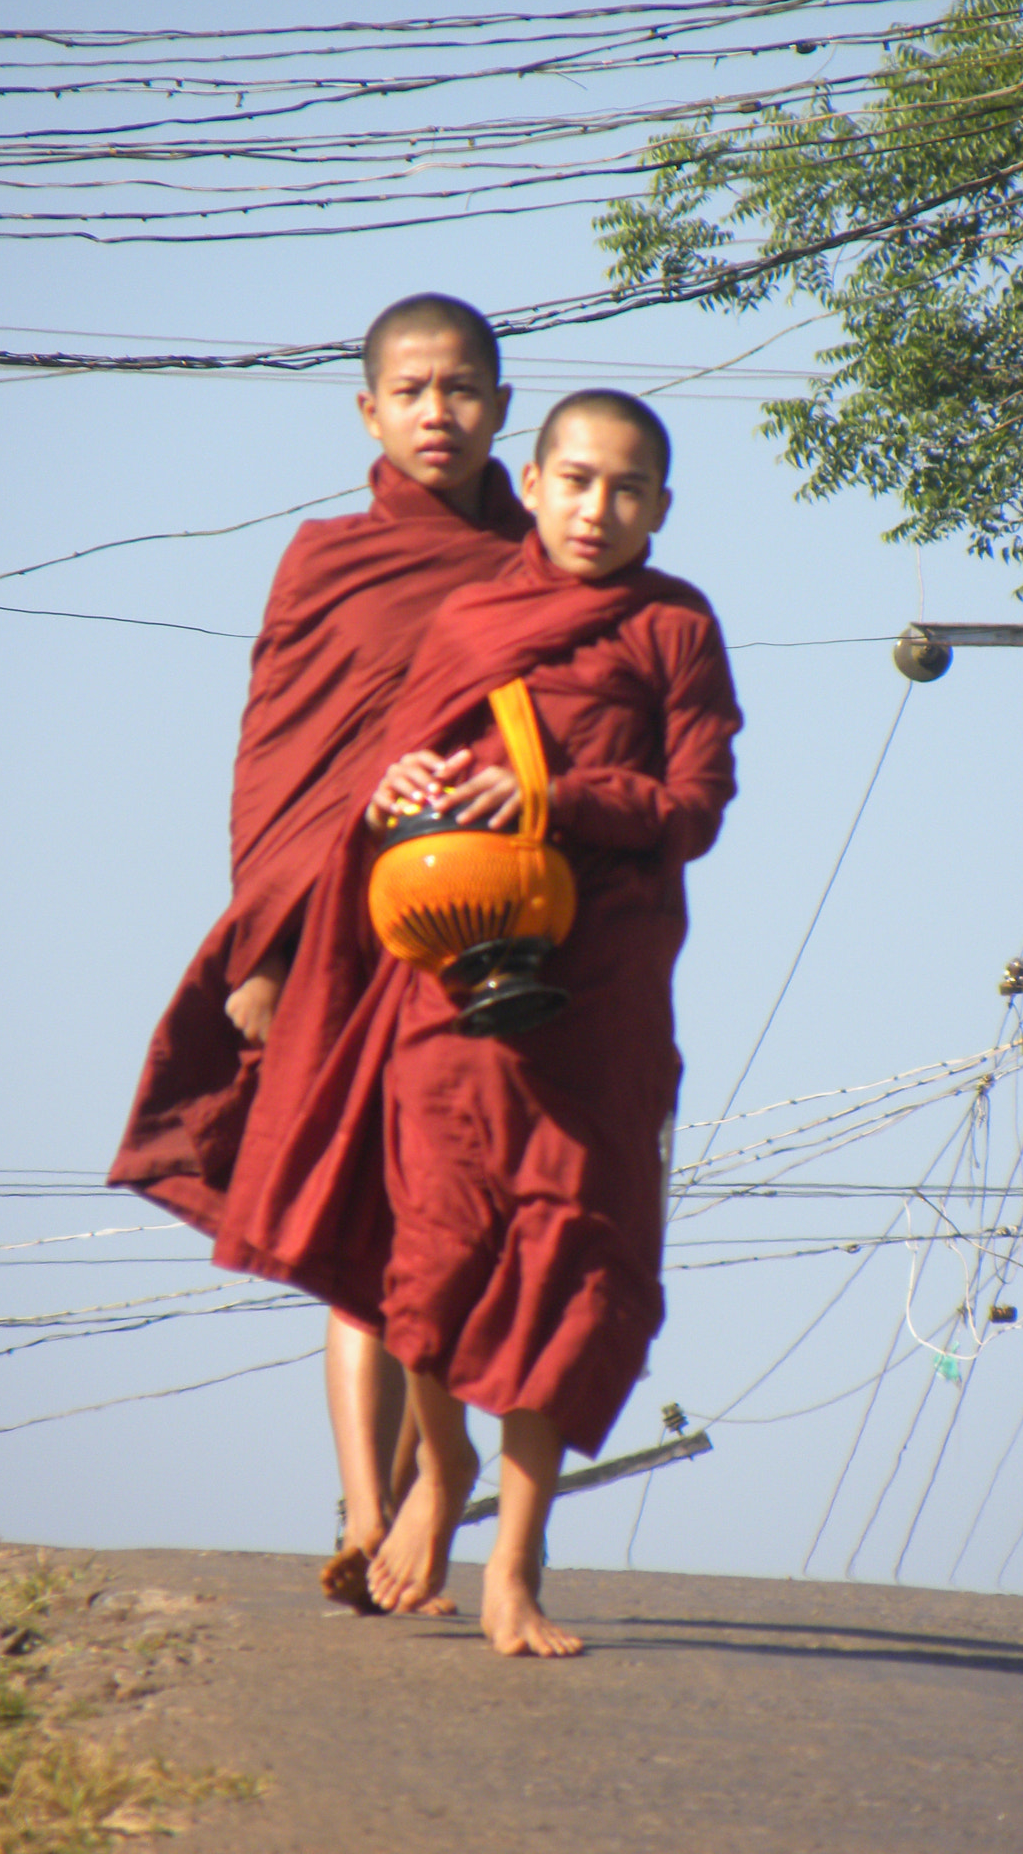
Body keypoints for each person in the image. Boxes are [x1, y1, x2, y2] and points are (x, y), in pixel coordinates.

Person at [221, 390, 741, 1654]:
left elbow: (696, 804)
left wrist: (558, 795)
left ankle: (517, 1559)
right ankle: (437, 1465)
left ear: (661, 508)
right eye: (574, 480)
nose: (595, 508)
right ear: (537, 481)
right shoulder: (470, 616)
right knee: (434, 1252)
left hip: (598, 994)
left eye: (625, 489)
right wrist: (392, 788)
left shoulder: (674, 625)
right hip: (452, 985)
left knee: (568, 1259)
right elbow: (397, 788)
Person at [108, 293, 530, 1611]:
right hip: (337, 942)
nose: (438, 413)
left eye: (462, 389)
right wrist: (262, 945)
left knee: (460, 1226)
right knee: (370, 1217)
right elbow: (279, 758)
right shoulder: (325, 560)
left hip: (494, 940)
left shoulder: (549, 570)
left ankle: (418, 1489)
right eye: (412, 390)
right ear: (369, 412)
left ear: (501, 407)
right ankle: (369, 1511)